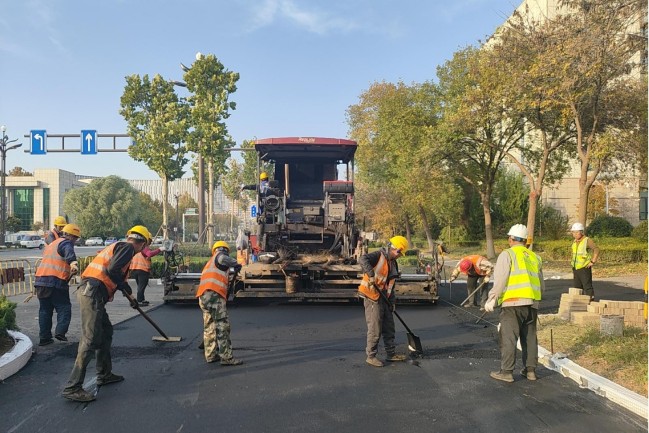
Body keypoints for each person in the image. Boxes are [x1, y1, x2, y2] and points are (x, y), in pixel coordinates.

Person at [61, 225, 151, 403]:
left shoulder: (121, 247)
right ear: (142, 243)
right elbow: (112, 270)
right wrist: (126, 289)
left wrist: (130, 295)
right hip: (92, 292)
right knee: (91, 339)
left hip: (93, 292)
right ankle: (73, 387)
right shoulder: (127, 248)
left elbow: (114, 273)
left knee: (106, 331)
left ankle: (104, 374)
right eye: (145, 245)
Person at [485, 224, 544, 383]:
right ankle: (530, 371)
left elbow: (501, 279)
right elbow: (541, 285)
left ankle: (506, 372)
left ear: (511, 239)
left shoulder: (507, 254)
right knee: (530, 338)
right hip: (532, 304)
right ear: (525, 241)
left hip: (512, 304)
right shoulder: (535, 257)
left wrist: (492, 299)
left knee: (509, 338)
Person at [358, 235, 409, 367]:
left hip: (384, 298)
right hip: (372, 296)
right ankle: (371, 356)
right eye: (400, 253)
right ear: (396, 249)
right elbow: (362, 259)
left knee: (389, 326)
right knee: (375, 328)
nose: (400, 256)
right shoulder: (378, 255)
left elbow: (390, 285)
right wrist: (371, 275)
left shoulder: (393, 263)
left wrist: (392, 302)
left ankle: (391, 354)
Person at [197, 240, 243, 366]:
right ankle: (226, 357)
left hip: (203, 297)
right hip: (214, 296)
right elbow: (224, 258)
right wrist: (236, 263)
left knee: (209, 327)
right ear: (224, 249)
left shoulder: (210, 263)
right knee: (222, 326)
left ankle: (210, 355)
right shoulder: (220, 256)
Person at [34, 223, 81, 346]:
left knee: (45, 310)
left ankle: (44, 338)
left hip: (41, 281)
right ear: (71, 236)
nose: (75, 241)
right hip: (55, 282)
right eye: (75, 238)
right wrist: (73, 263)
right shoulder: (66, 243)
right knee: (64, 307)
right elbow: (68, 252)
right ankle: (60, 332)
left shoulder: (52, 244)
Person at [129, 237, 165, 306]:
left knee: (140, 286)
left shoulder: (136, 248)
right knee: (141, 287)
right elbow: (149, 254)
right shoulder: (144, 248)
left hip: (134, 269)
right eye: (150, 242)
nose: (150, 244)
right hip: (142, 270)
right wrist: (159, 249)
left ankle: (142, 299)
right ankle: (140, 301)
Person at [570, 222, 599, 301]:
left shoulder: (587, 240)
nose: (575, 234)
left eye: (577, 232)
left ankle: (591, 302)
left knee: (587, 286)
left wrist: (593, 261)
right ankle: (579, 303)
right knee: (577, 287)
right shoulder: (574, 241)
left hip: (584, 268)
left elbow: (596, 249)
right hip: (576, 268)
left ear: (581, 232)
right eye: (573, 232)